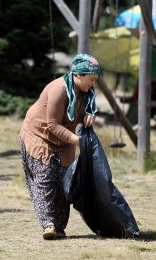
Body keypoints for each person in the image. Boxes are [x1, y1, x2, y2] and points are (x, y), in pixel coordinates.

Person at [19, 53, 102, 240]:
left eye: (95, 80)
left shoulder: (86, 93)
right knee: (46, 177)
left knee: (65, 183)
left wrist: (87, 117)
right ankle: (49, 225)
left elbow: (77, 114)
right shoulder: (59, 89)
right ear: (79, 75)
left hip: (64, 140)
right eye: (91, 79)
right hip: (39, 135)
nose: (93, 84)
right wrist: (78, 141)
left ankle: (59, 227)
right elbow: (53, 124)